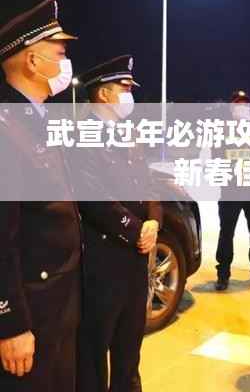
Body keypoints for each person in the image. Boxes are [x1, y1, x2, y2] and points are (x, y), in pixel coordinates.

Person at [0, 0, 81, 391]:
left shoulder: (37, 118)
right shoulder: (7, 129)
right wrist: (11, 323)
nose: (66, 62)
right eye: (60, 53)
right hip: (31, 310)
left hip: (58, 303)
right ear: (32, 61)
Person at [75, 55, 162, 392]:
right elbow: (93, 198)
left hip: (136, 262)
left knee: (129, 349)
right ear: (103, 93)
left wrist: (154, 221)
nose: (130, 95)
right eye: (124, 88)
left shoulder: (130, 133)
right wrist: (136, 229)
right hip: (103, 262)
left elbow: (148, 184)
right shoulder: (83, 136)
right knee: (94, 351)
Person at [214, 90, 250, 291]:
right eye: (238, 104)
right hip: (231, 192)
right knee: (226, 233)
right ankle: (223, 275)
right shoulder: (222, 130)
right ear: (232, 107)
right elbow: (217, 159)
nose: (242, 107)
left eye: (246, 104)